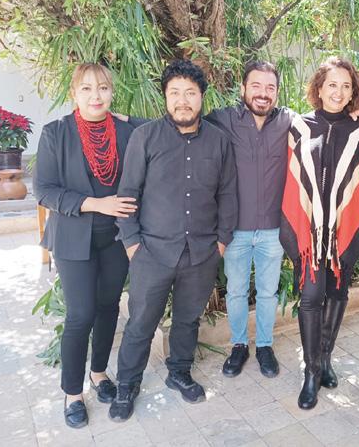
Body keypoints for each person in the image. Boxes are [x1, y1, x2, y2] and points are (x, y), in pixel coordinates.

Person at [109, 59, 237, 421]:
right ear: (165, 97)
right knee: (140, 323)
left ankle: (179, 372)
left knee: (188, 319)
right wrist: (133, 245)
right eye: (175, 93)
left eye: (190, 93)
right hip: (151, 252)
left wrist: (221, 243)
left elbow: (228, 195)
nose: (183, 101)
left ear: (202, 97)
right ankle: (127, 384)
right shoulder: (145, 138)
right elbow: (128, 194)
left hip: (201, 253)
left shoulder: (219, 141)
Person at [34, 63, 138, 429]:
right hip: (72, 238)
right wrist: (97, 203)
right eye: (87, 89)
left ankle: (98, 373)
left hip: (114, 237)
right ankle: (72, 393)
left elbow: (161, 129)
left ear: (112, 92)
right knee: (81, 314)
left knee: (109, 307)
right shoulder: (55, 133)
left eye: (104, 88)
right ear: (73, 94)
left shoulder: (125, 132)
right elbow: (44, 191)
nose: (96, 96)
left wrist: (126, 117)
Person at [280, 56, 359, 409]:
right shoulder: (300, 127)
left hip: (342, 230)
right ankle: (310, 372)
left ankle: (324, 359)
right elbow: (292, 177)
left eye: (346, 86)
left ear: (353, 93)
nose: (338, 92)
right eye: (332, 85)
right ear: (319, 89)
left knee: (337, 293)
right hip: (309, 231)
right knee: (310, 297)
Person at [204, 61, 293, 378]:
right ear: (243, 88)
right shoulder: (223, 119)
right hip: (236, 230)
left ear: (277, 92)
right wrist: (127, 121)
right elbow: (183, 122)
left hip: (272, 230)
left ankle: (265, 346)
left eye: (270, 87)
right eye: (256, 86)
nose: (263, 93)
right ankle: (239, 345)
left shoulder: (289, 121)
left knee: (268, 293)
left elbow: (325, 124)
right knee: (236, 292)